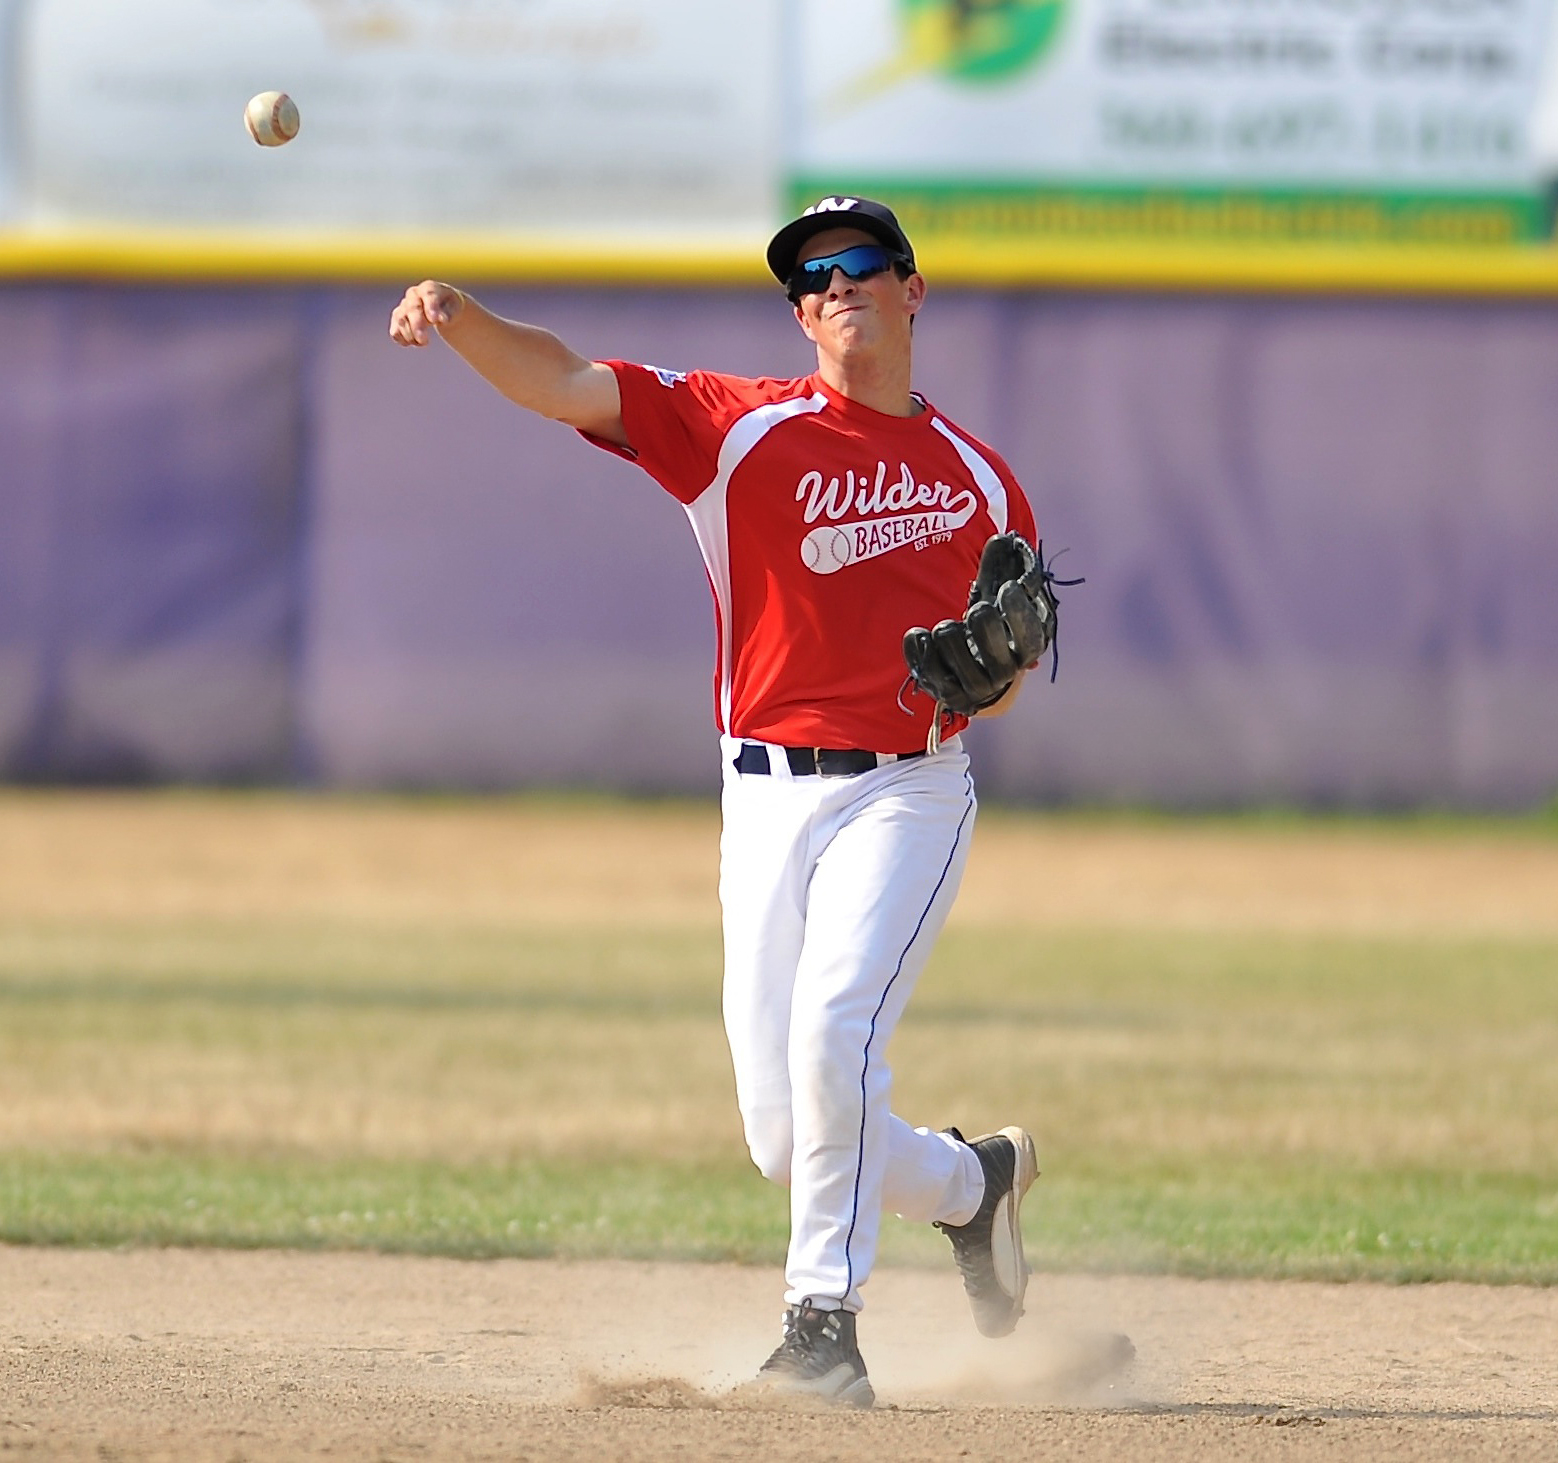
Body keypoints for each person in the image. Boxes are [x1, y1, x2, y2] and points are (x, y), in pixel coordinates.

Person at [389, 197, 1045, 1408]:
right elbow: (571, 382)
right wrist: (465, 318)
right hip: (761, 798)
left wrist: (994, 677)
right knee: (788, 1137)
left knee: (835, 1034)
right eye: (812, 280)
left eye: (860, 266)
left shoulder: (978, 485)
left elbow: (998, 691)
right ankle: (971, 1183)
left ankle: (823, 1335)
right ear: (799, 315)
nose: (835, 286)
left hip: (907, 789)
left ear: (912, 289)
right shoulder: (739, 428)